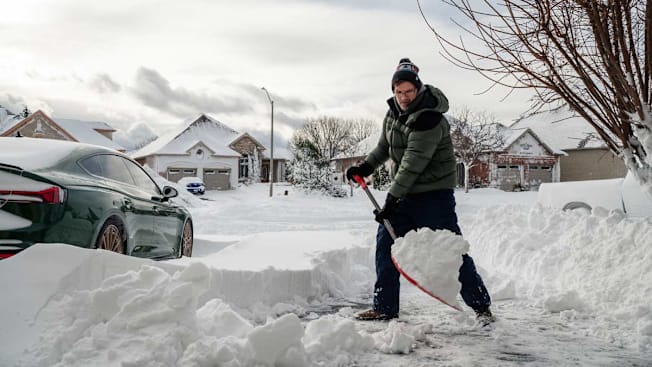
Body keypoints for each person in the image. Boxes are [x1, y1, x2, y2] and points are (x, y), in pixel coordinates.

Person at [346, 58, 494, 324]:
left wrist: (392, 198)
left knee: (450, 252)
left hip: (434, 197)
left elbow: (414, 162)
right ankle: (384, 307)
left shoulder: (429, 117)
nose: (403, 97)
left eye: (408, 91)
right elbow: (384, 148)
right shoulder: (393, 114)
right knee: (385, 247)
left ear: (419, 89)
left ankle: (481, 306)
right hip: (405, 195)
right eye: (398, 92)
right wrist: (364, 167)